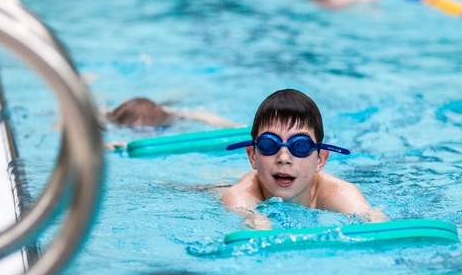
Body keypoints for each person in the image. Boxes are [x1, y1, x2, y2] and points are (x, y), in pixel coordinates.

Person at [222, 89, 386, 229]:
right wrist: (257, 222)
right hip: (219, 183)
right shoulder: (239, 194)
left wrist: (373, 220)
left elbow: (374, 225)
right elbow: (254, 226)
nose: (284, 158)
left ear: (320, 159)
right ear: (252, 155)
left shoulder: (339, 192)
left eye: (300, 145)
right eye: (268, 144)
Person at [103, 97, 242, 150]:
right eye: (136, 130)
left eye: (151, 129)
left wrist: (232, 125)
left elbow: (202, 116)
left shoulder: (173, 116)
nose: (144, 134)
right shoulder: (109, 118)